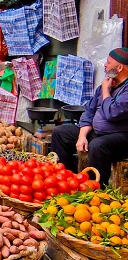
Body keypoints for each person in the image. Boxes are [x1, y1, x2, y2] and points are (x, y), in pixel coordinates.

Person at [51, 48, 128, 186]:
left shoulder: (122, 89)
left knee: (97, 145)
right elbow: (89, 112)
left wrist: (106, 90)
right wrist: (82, 136)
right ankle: (65, 180)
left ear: (120, 67)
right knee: (61, 133)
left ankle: (95, 188)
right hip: (98, 133)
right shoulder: (108, 83)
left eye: (108, 62)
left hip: (120, 137)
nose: (105, 65)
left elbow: (112, 112)